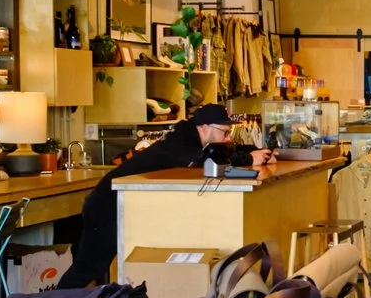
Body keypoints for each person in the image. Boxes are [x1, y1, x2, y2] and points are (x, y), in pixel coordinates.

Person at [65, 105, 272, 288]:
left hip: (126, 205)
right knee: (88, 268)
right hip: (108, 204)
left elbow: (222, 156)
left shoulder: (195, 140)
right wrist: (248, 158)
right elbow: (201, 165)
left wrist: (255, 153)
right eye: (224, 133)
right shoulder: (181, 144)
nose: (228, 139)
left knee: (93, 267)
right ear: (205, 127)